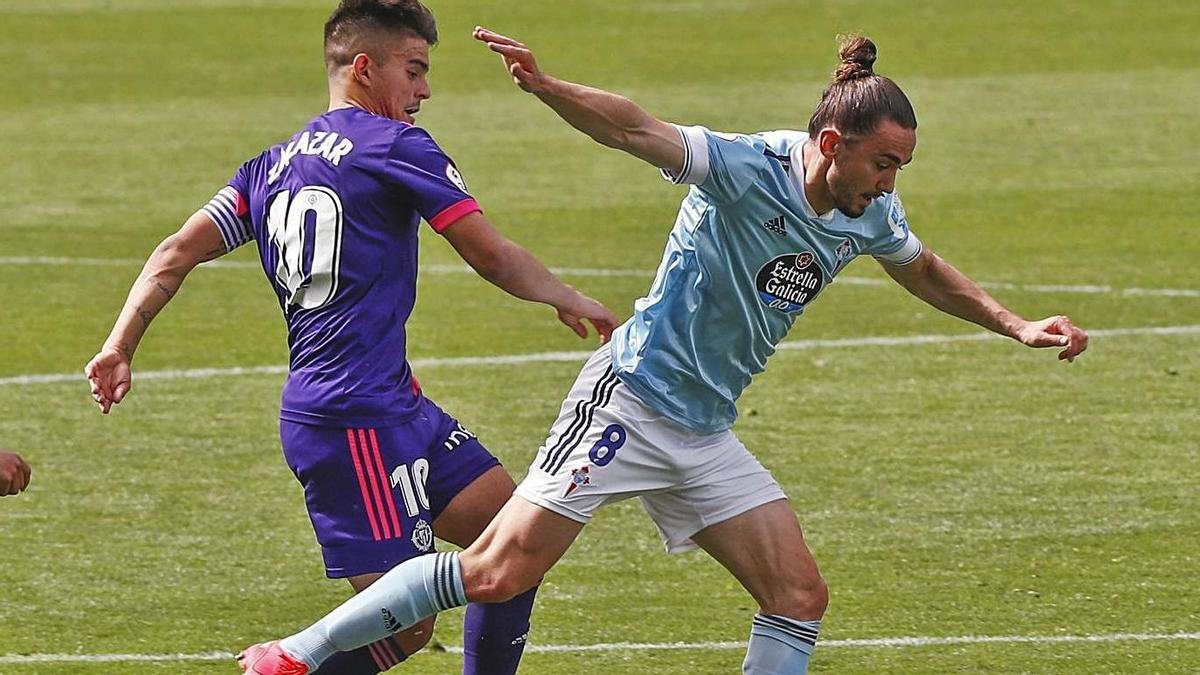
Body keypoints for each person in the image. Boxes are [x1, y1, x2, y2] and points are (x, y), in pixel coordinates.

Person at [237, 29, 1090, 675]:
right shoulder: (745, 166)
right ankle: (295, 655)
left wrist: (1014, 323)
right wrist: (544, 87)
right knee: (494, 570)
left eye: (900, 167)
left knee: (798, 595)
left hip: (703, 429)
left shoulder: (871, 214)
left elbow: (925, 269)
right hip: (628, 398)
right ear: (833, 145)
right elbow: (635, 128)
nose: (890, 183)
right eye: (883, 163)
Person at [83, 3, 617, 674]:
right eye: (414, 70)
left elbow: (173, 253)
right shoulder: (396, 146)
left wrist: (119, 343)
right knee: (407, 624)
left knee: (515, 539)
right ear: (364, 68)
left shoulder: (267, 170)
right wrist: (565, 295)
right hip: (351, 420)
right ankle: (286, 666)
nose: (424, 90)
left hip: (392, 405)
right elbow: (489, 254)